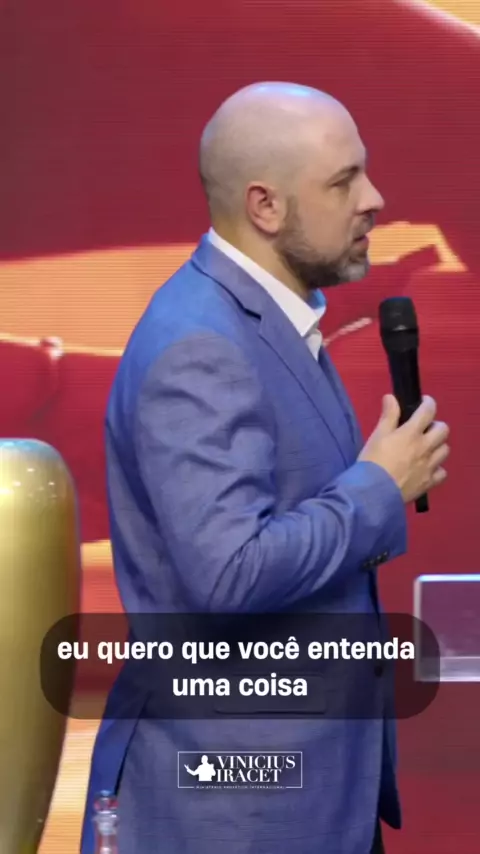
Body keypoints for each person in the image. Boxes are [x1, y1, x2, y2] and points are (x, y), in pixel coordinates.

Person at [81, 82, 450, 854]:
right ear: (265, 207)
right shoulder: (201, 346)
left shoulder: (271, 324)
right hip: (238, 811)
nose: (375, 200)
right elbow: (227, 575)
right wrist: (379, 487)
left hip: (312, 797)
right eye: (344, 181)